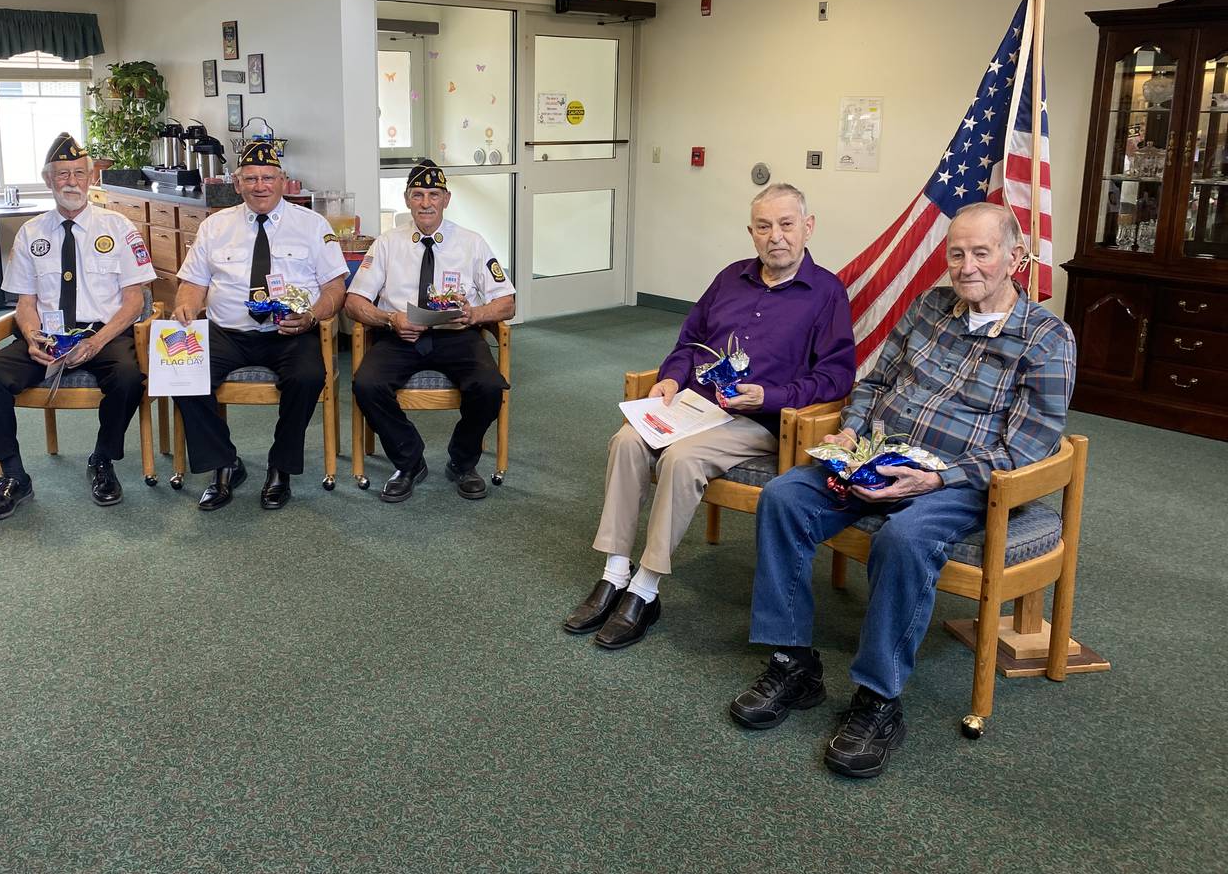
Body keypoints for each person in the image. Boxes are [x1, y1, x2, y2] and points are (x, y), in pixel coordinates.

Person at [730, 203, 1076, 779]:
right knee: (784, 497)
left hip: (960, 479)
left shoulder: (1046, 338)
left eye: (981, 253)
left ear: (1015, 258)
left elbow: (1032, 444)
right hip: (877, 458)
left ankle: (877, 700)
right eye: (957, 253)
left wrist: (938, 477)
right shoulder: (928, 307)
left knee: (905, 537)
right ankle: (793, 662)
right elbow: (877, 381)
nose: (966, 267)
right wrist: (852, 429)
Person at [563, 183, 855, 650]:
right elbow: (689, 341)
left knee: (680, 460)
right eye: (764, 227)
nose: (775, 236)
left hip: (758, 421)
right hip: (694, 405)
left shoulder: (826, 293)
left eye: (786, 224)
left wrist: (771, 395)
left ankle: (645, 588)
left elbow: (836, 379)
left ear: (808, 227)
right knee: (626, 441)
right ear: (751, 232)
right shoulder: (730, 278)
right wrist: (671, 379)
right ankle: (613, 573)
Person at [0, 132, 157, 521]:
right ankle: (13, 477)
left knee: (127, 378)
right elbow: (25, 303)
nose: (71, 181)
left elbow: (134, 301)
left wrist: (99, 340)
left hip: (104, 334)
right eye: (61, 174)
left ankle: (103, 460)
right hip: (48, 336)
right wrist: (33, 336)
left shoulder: (119, 227)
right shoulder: (31, 232)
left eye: (78, 173)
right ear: (48, 180)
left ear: (91, 178)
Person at [171, 139, 347, 511]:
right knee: (183, 374)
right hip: (226, 333)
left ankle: (280, 467)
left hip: (291, 331)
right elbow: (192, 283)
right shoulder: (215, 226)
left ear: (283, 181)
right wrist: (185, 307)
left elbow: (335, 288)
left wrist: (313, 315)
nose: (260, 185)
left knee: (308, 377)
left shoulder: (313, 226)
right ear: (237, 184)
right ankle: (224, 465)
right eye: (250, 178)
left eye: (268, 177)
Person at [344, 159, 515, 503]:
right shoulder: (387, 243)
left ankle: (463, 462)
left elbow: (507, 302)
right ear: (407, 199)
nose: (426, 203)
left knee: (490, 386)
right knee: (366, 384)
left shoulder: (471, 243)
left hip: (458, 335)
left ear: (446, 199)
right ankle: (409, 461)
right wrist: (390, 320)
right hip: (400, 336)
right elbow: (353, 301)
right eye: (418, 195)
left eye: (433, 195)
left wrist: (475, 314)